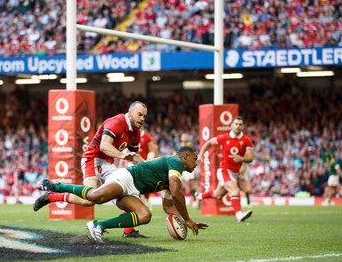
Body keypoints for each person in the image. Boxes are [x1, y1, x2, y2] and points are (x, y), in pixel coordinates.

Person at [35, 146, 209, 243]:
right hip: (127, 177)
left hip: (133, 190)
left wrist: (181, 220)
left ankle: (98, 225)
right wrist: (187, 219)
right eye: (195, 158)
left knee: (145, 215)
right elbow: (177, 193)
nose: (197, 163)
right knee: (95, 197)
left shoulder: (174, 174)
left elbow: (168, 206)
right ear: (185, 157)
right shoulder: (175, 162)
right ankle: (57, 186)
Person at [35, 101, 148, 238]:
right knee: (89, 199)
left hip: (108, 163)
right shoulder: (116, 122)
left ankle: (129, 231)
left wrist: (149, 166)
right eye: (140, 115)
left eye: (144, 116)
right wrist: (123, 156)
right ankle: (52, 195)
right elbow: (104, 146)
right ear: (130, 113)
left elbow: (135, 156)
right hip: (93, 159)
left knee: (127, 190)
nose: (142, 119)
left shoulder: (135, 132)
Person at [195, 116, 253, 223]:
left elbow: (250, 158)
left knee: (218, 195)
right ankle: (239, 215)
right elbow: (209, 143)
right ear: (231, 125)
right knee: (235, 190)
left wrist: (242, 158)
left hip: (235, 173)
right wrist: (201, 155)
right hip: (224, 170)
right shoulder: (225, 137)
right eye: (236, 124)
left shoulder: (246, 140)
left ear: (243, 126)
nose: (238, 126)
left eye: (240, 124)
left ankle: (200, 196)